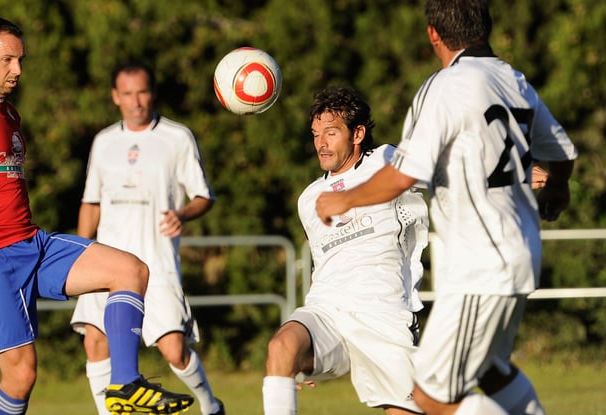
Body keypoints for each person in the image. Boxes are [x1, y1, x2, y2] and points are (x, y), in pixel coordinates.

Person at [0, 17, 193, 415]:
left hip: (32, 245)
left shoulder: (10, 115)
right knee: (21, 376)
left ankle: (124, 384)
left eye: (20, 60)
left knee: (130, 271)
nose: (17, 70)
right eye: (7, 60)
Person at [314, 1, 578, 414]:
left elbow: (404, 174)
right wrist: (558, 189)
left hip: (481, 264)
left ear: (433, 34)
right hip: (520, 253)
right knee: (491, 372)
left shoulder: (443, 87)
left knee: (431, 398)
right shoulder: (514, 80)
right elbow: (560, 152)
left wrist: (344, 197)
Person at [262, 86, 428, 415]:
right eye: (315, 134)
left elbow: (452, 173)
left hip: (384, 313)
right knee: (281, 347)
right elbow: (323, 263)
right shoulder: (309, 198)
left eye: (331, 132)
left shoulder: (387, 161)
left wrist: (520, 175)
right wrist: (297, 357)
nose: (320, 143)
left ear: (358, 133)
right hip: (328, 310)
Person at [69, 61, 224, 415]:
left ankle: (211, 406)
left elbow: (203, 195)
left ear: (151, 94)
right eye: (127, 94)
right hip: (105, 261)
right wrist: (80, 253)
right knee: (96, 343)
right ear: (115, 97)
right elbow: (90, 204)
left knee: (174, 350)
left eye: (142, 92)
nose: (135, 101)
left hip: (156, 262)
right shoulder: (104, 141)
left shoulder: (177, 137)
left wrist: (182, 214)